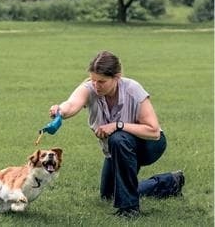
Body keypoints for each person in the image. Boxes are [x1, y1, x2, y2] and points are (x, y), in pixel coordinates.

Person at [49, 50, 185, 218]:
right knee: (109, 195)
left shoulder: (133, 89)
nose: (96, 85)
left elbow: (154, 131)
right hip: (117, 148)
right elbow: (71, 105)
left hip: (149, 145)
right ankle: (170, 182)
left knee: (118, 137)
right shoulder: (90, 89)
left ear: (117, 77)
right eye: (93, 80)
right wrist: (59, 110)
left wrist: (117, 125)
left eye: (102, 81)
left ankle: (129, 209)